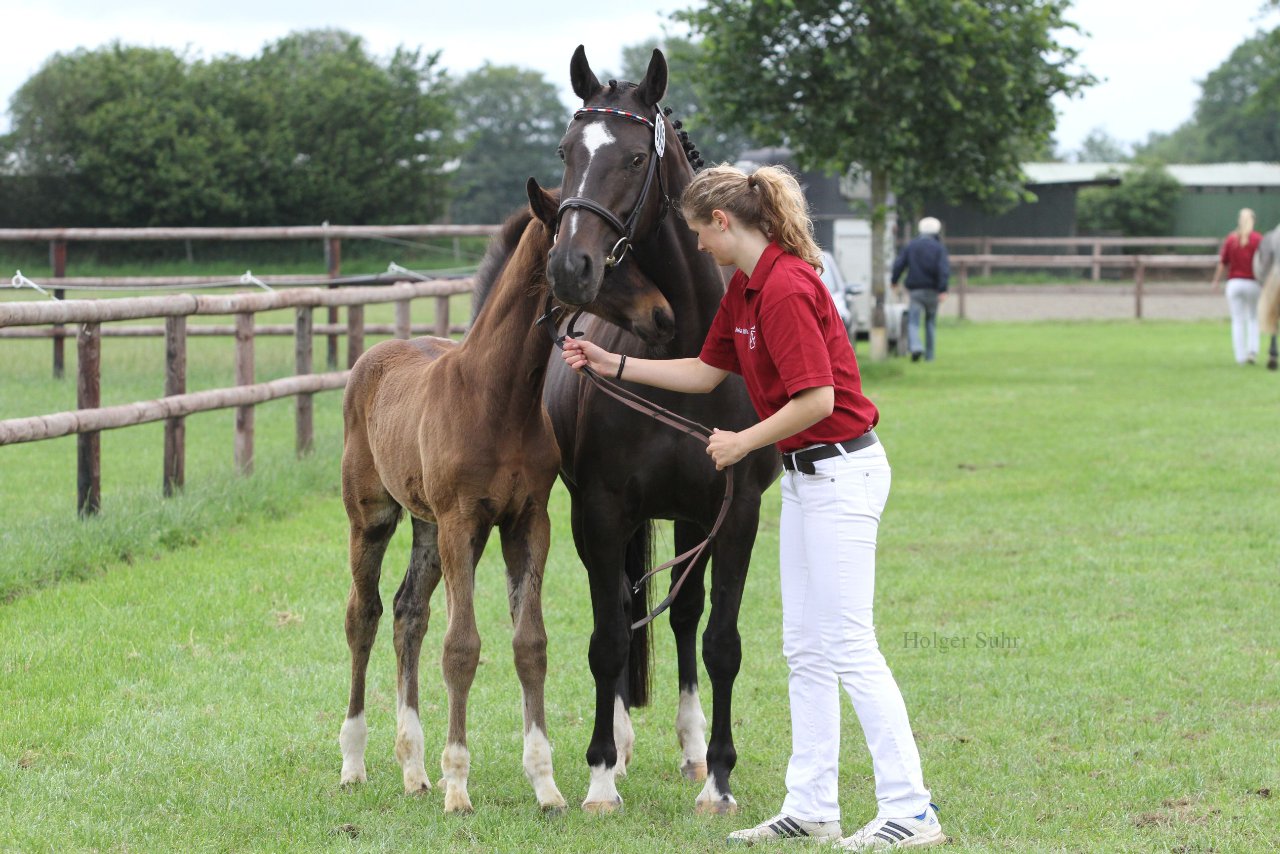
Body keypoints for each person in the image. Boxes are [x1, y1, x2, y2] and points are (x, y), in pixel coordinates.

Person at [561, 164, 943, 851]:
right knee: (804, 646)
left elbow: (818, 400)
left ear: (725, 223)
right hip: (805, 478)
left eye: (699, 233)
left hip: (843, 472)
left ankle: (911, 808)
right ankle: (812, 803)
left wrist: (743, 441)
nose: (697, 246)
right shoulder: (745, 288)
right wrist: (611, 363)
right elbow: (706, 372)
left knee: (851, 645)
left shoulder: (789, 288)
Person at [891, 218, 950, 363]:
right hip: (933, 291)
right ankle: (930, 356)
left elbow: (899, 264)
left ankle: (916, 347)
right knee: (930, 322)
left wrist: (894, 281)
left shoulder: (912, 245)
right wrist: (942, 289)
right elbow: (943, 270)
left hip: (915, 291)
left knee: (913, 322)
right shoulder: (939, 248)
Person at [1210, 208, 1263, 365]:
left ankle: (1240, 357)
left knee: (1238, 320)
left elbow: (1223, 263)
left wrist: (1216, 281)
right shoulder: (1258, 239)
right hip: (1253, 283)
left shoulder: (1231, 239)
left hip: (1234, 283)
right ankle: (1252, 350)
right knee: (1253, 318)